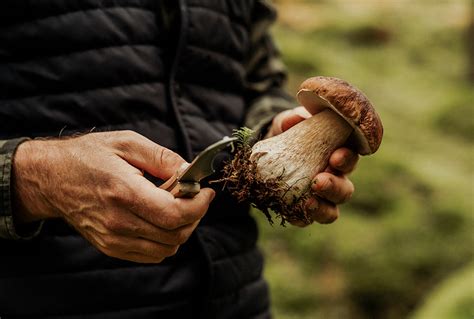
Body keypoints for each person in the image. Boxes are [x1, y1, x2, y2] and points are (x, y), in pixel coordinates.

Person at [0, 1, 357, 318]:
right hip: (49, 297)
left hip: (237, 294)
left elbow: (258, 82)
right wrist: (35, 177)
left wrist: (274, 128)